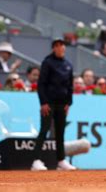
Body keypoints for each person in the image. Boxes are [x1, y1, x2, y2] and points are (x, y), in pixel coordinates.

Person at [31, 38, 76, 171]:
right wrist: (43, 102)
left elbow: (70, 86)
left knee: (60, 133)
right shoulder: (47, 63)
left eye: (62, 45)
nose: (60, 48)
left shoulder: (68, 65)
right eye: (57, 46)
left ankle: (61, 161)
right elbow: (41, 84)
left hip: (62, 104)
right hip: (49, 104)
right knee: (44, 130)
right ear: (53, 48)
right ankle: (36, 161)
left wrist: (68, 103)